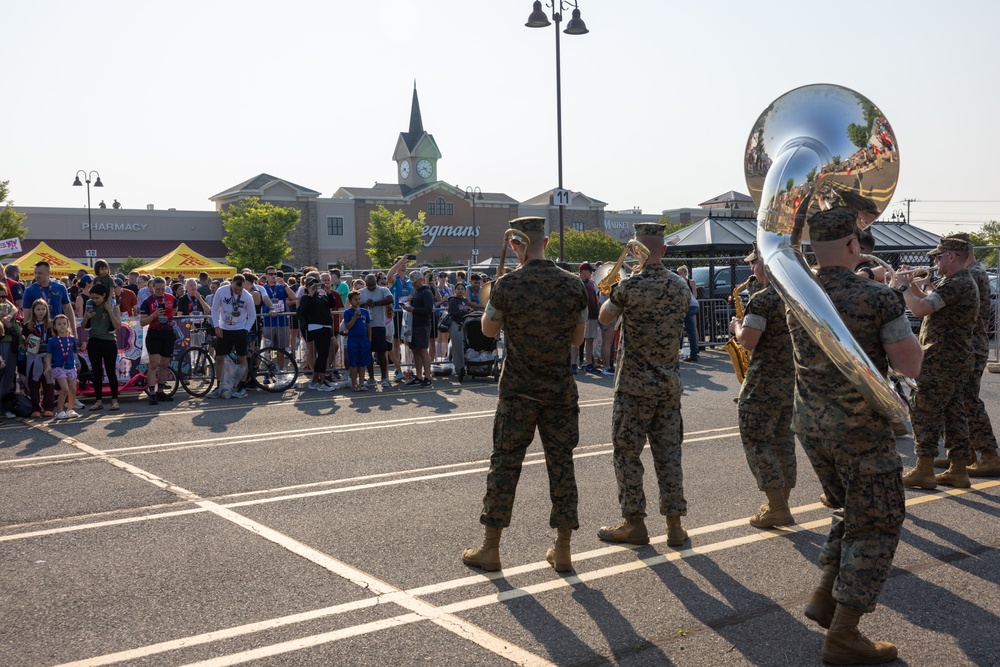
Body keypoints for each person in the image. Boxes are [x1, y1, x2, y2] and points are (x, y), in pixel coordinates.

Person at [789, 207, 922, 664]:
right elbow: (910, 366)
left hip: (811, 425)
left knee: (852, 510)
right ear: (853, 246)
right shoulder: (877, 297)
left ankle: (825, 597)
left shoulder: (796, 294)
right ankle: (844, 635)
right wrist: (899, 298)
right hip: (861, 430)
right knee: (879, 522)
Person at [462, 217, 588, 574]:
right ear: (545, 242)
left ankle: (491, 548)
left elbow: (487, 331)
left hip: (518, 390)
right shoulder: (573, 285)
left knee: (505, 464)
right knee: (561, 465)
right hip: (559, 389)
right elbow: (577, 340)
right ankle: (562, 549)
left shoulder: (507, 285)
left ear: (515, 245)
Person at [595, 223, 692, 548]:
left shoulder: (629, 287)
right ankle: (675, 526)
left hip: (634, 388)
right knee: (669, 455)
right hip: (668, 386)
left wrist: (620, 287)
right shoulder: (681, 287)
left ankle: (634, 522)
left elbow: (604, 318)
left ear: (637, 251)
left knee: (626, 455)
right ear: (663, 251)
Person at [896, 234, 979, 490]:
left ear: (951, 257)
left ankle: (923, 470)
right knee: (954, 414)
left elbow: (920, 309)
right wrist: (911, 285)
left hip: (941, 359)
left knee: (924, 412)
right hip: (954, 358)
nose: (934, 261)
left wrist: (900, 287)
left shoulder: (957, 283)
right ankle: (958, 469)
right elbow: (927, 300)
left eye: (938, 256)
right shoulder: (957, 282)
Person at [728, 243, 796, 528]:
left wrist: (736, 327)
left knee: (758, 440)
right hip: (791, 380)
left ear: (764, 264)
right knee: (783, 442)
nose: (751, 269)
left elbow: (748, 341)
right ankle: (780, 501)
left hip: (764, 381)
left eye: (754, 262)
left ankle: (777, 506)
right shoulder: (796, 295)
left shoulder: (763, 298)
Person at [953, 233, 1000, 476]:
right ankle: (964, 454)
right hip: (972, 343)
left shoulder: (972, 274)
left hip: (970, 345)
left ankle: (989, 454)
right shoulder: (976, 273)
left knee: (968, 401)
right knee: (960, 402)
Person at [209, 275, 255, 399]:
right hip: (224, 329)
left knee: (242, 357)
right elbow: (214, 309)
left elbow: (252, 316)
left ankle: (242, 386)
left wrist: (246, 330)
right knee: (219, 358)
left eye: (239, 290)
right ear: (231, 283)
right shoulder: (221, 291)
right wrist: (216, 326)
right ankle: (219, 386)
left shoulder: (247, 296)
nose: (237, 292)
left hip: (240, 329)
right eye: (235, 289)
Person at [81, 283, 122, 411]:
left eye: (97, 298)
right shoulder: (90, 306)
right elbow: (83, 326)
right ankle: (98, 401)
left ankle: (114, 401)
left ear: (104, 295)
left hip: (109, 342)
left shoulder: (113, 306)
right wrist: (86, 317)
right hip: (94, 341)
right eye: (92, 298)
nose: (94, 300)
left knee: (110, 371)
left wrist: (110, 311)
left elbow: (118, 326)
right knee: (97, 373)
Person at [138, 277, 177, 406]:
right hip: (154, 333)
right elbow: (142, 322)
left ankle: (160, 391)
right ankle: (152, 393)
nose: (160, 291)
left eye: (162, 289)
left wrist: (167, 318)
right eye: (157, 289)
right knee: (153, 364)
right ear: (152, 288)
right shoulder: (147, 301)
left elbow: (175, 310)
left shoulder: (171, 298)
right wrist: (154, 315)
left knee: (164, 364)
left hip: (167, 332)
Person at [297, 277, 336, 391]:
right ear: (307, 287)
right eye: (311, 285)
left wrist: (328, 293)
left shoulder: (322, 296)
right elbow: (304, 310)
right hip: (316, 327)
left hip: (326, 326)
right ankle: (321, 382)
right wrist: (310, 295)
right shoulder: (305, 298)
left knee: (322, 354)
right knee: (323, 354)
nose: (314, 286)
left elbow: (331, 304)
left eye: (316, 284)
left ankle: (315, 381)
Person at [401, 270, 434, 387]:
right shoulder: (414, 291)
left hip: (422, 325)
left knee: (423, 350)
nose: (413, 284)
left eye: (415, 281)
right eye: (412, 282)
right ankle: (419, 376)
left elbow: (428, 309)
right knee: (415, 350)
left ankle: (428, 377)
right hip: (413, 324)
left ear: (421, 279)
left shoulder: (426, 292)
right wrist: (408, 302)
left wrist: (414, 309)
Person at [361, 273, 394, 387]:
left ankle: (384, 377)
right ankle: (371, 377)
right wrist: (364, 304)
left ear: (376, 281)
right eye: (368, 286)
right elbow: (355, 303)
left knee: (381, 352)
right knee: (368, 352)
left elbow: (390, 299)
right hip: (366, 326)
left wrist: (375, 303)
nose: (371, 288)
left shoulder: (382, 290)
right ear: (365, 283)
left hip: (379, 325)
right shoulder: (362, 292)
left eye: (372, 285)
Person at [445, 282, 483, 377]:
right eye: (458, 289)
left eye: (462, 289)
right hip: (455, 323)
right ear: (455, 290)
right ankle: (459, 367)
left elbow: (466, 309)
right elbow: (454, 312)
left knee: (466, 344)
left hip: (464, 323)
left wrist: (470, 311)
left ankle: (467, 364)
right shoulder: (452, 300)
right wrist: (466, 312)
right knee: (457, 345)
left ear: (464, 291)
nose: (460, 291)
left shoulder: (465, 300)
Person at [47, 314, 80, 419]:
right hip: (58, 367)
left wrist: (82, 348)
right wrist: (48, 365)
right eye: (59, 324)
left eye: (64, 324)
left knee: (73, 390)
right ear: (55, 326)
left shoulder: (72, 339)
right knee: (65, 389)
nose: (62, 326)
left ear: (68, 325)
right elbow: (49, 355)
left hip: (70, 366)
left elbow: (75, 351)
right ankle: (59, 411)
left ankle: (70, 409)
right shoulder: (52, 340)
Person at [387, 256, 413, 381]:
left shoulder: (409, 280)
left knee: (408, 342)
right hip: (396, 313)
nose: (404, 264)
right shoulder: (394, 279)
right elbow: (388, 276)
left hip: (407, 313)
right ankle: (398, 369)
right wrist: (398, 261)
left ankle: (408, 368)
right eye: (401, 263)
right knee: (396, 342)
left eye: (405, 263)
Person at [572, 262, 600, 374]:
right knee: (575, 341)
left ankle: (589, 364)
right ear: (583, 271)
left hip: (592, 315)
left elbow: (595, 299)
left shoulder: (592, 284)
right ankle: (573, 364)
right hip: (579, 316)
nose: (591, 273)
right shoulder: (575, 282)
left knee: (590, 340)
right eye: (590, 271)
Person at [343, 290, 371, 392]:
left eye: (359, 299)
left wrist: (369, 340)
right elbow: (348, 326)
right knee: (354, 362)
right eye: (355, 299)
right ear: (350, 301)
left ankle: (362, 382)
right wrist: (355, 316)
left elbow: (368, 326)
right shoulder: (347, 312)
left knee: (362, 363)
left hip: (363, 340)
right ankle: (354, 383)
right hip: (353, 340)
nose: (358, 301)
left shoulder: (365, 312)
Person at [675, 266, 700, 361]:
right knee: (690, 330)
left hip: (689, 306)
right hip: (692, 306)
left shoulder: (678, 283)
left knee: (690, 330)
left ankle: (693, 354)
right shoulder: (680, 282)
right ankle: (693, 353)